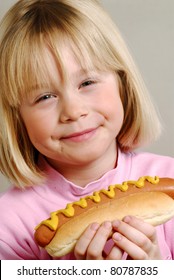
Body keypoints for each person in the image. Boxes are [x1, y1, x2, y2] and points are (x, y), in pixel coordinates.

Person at [0, 0, 173, 260]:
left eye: (87, 82)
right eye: (45, 97)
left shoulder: (168, 179)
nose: (73, 111)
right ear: (17, 118)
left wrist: (157, 270)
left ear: (123, 85)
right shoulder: (9, 225)